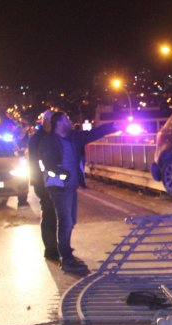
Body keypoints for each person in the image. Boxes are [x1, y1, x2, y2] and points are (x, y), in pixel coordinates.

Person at [38, 111, 120, 274]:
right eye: (67, 119)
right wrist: (62, 174)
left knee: (71, 221)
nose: (70, 121)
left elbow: (92, 134)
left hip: (71, 186)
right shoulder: (48, 142)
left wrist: (111, 127)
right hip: (59, 187)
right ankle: (66, 258)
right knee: (65, 221)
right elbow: (46, 164)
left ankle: (66, 252)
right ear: (59, 123)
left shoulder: (73, 138)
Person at [27, 110, 58, 261]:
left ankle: (56, 246)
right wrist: (39, 181)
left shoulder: (52, 136)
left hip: (53, 181)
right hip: (43, 182)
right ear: (45, 121)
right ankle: (51, 249)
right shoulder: (38, 139)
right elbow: (35, 162)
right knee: (49, 213)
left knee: (57, 214)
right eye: (51, 121)